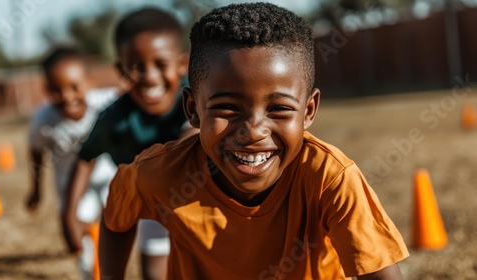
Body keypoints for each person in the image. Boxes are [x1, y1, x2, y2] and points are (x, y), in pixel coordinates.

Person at [99, 2, 410, 280]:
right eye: (228, 108)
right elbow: (115, 218)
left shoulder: (329, 180)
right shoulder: (159, 174)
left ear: (308, 110)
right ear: (193, 109)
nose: (253, 130)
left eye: (278, 109)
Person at [61, 7, 192, 280]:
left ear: (182, 64)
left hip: (207, 200)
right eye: (135, 66)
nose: (150, 76)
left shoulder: (201, 96)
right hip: (152, 202)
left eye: (160, 64)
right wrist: (69, 214)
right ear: (120, 70)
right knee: (154, 271)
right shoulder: (115, 118)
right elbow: (85, 160)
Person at [26, 46, 118, 280]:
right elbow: (36, 154)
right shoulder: (42, 121)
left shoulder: (108, 103)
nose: (67, 96)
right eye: (56, 90)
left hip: (111, 178)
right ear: (46, 89)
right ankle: (91, 271)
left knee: (118, 227)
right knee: (76, 242)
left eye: (74, 87)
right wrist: (36, 191)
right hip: (72, 189)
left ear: (90, 82)